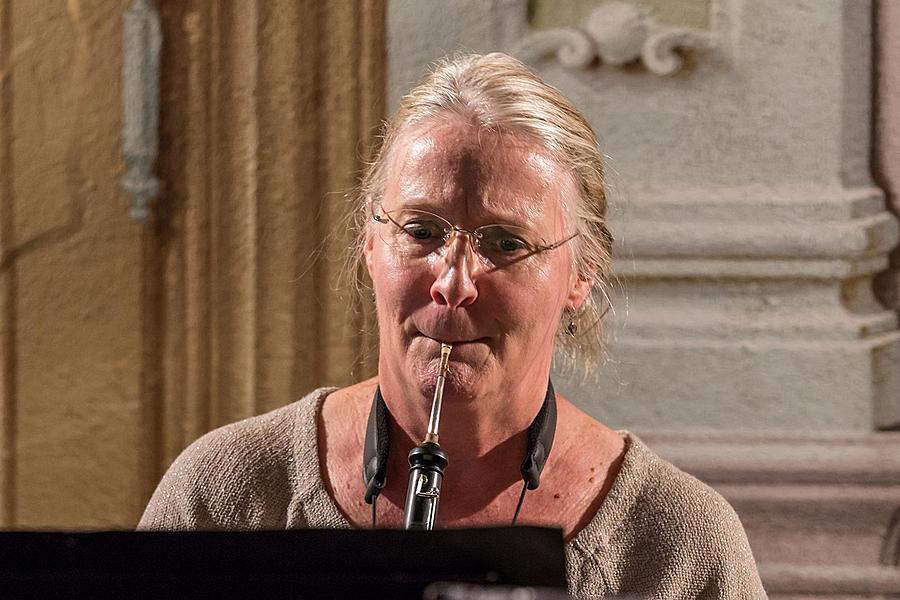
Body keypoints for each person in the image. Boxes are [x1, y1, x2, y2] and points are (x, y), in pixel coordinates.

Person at [139, 52, 767, 598]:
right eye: (421, 230)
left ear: (582, 275)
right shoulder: (229, 490)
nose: (454, 282)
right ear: (369, 243)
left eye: (506, 242)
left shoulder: (680, 543)